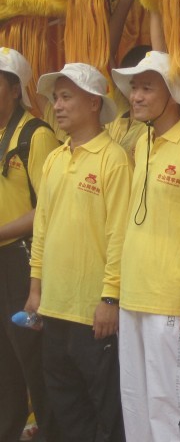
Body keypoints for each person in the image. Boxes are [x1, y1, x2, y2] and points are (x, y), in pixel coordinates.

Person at [111, 50, 180, 442]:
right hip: (133, 294)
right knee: (136, 402)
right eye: (134, 87)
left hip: (173, 297)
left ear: (172, 94)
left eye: (146, 88)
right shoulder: (143, 142)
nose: (135, 96)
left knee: (174, 404)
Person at [26, 63, 131, 441]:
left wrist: (110, 298)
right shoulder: (55, 159)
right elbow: (41, 229)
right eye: (56, 98)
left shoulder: (113, 159)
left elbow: (119, 235)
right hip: (53, 308)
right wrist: (35, 289)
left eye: (66, 97)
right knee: (67, 407)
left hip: (93, 312)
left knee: (107, 409)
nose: (57, 106)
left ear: (94, 103)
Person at [0, 48, 60, 442]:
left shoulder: (36, 135)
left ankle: (53, 433)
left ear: (13, 88)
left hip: (24, 260)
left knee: (33, 361)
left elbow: (48, 210)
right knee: (4, 364)